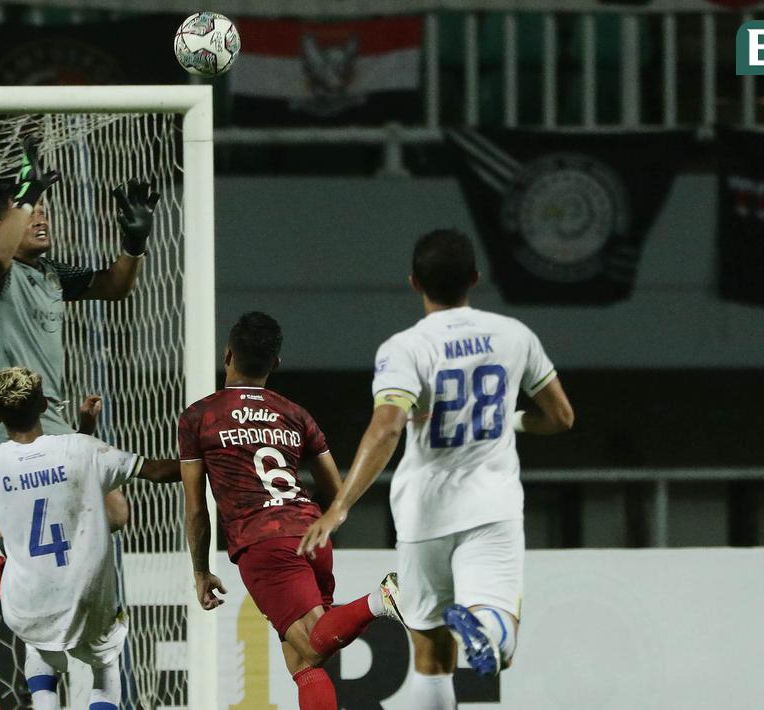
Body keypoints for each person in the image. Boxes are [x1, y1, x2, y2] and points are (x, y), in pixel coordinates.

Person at [298, 229, 575, 709]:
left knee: (430, 651)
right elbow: (561, 417)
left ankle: (477, 632)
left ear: (413, 282)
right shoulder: (514, 336)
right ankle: (486, 630)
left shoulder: (405, 348)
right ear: (474, 278)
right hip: (491, 508)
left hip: (422, 513)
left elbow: (386, 427)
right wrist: (510, 421)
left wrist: (339, 507)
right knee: (498, 629)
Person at [0, 135, 161, 708]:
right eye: (30, 213)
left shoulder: (49, 274)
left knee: (116, 513)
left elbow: (114, 286)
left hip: (56, 426)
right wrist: (21, 197)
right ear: (3, 223)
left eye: (45, 211)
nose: (41, 218)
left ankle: (38, 662)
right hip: (7, 426)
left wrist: (134, 241)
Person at [178, 311, 402, 710]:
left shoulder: (199, 417)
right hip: (312, 533)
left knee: (311, 646)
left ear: (227, 354)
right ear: (275, 364)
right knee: (302, 663)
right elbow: (338, 488)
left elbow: (197, 508)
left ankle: (381, 598)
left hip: (264, 545)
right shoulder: (295, 414)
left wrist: (199, 571)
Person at [0, 367, 179, 710]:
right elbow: (157, 471)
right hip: (85, 597)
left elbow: (40, 475)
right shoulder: (82, 448)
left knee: (38, 638)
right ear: (46, 406)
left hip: (29, 602)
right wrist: (211, 458)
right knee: (105, 663)